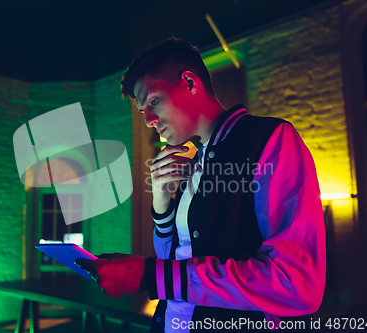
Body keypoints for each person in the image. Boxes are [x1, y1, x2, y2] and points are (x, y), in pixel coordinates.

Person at [76, 38, 326, 332]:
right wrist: (161, 201)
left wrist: (149, 276)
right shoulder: (194, 160)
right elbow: (175, 254)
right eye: (143, 110)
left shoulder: (269, 139)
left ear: (190, 83)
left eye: (153, 101)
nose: (149, 120)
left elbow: (296, 283)